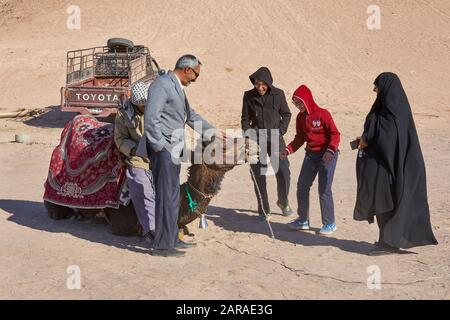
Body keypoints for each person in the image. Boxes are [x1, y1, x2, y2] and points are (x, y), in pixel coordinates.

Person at [136, 54, 226, 258]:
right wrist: (159, 146)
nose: (195, 79)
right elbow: (151, 118)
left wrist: (214, 132)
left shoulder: (177, 87)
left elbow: (190, 116)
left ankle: (172, 239)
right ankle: (162, 246)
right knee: (165, 197)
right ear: (186, 69)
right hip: (165, 151)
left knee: (173, 196)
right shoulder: (162, 84)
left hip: (174, 151)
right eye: (195, 74)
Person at [353, 72, 438, 254]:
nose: (374, 89)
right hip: (380, 167)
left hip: (391, 169)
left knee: (386, 203)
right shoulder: (382, 108)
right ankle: (385, 240)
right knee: (380, 204)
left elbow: (389, 139)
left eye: (377, 86)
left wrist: (367, 139)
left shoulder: (396, 112)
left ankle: (389, 244)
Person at [280, 85, 340, 235]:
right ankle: (303, 220)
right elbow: (300, 138)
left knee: (324, 188)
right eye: (295, 104)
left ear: (307, 100)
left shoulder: (322, 114)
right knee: (302, 186)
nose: (298, 106)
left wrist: (330, 150)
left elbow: (335, 134)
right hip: (311, 155)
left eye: (300, 103)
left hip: (328, 154)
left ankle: (329, 223)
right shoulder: (300, 117)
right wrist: (288, 150)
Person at [241, 67, 292, 221]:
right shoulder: (248, 96)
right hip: (257, 140)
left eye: (263, 84)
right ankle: (264, 209)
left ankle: (283, 201)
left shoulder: (279, 94)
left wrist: (281, 131)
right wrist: (249, 135)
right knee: (258, 175)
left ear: (269, 83)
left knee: (284, 172)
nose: (260, 88)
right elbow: (245, 119)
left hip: (276, 139)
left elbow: (287, 114)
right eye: (257, 84)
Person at [114, 81, 155, 245]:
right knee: (142, 188)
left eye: (146, 105)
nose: (144, 108)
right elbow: (120, 139)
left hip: (159, 154)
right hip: (137, 156)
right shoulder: (124, 114)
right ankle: (151, 230)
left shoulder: (158, 108)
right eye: (141, 106)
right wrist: (136, 149)